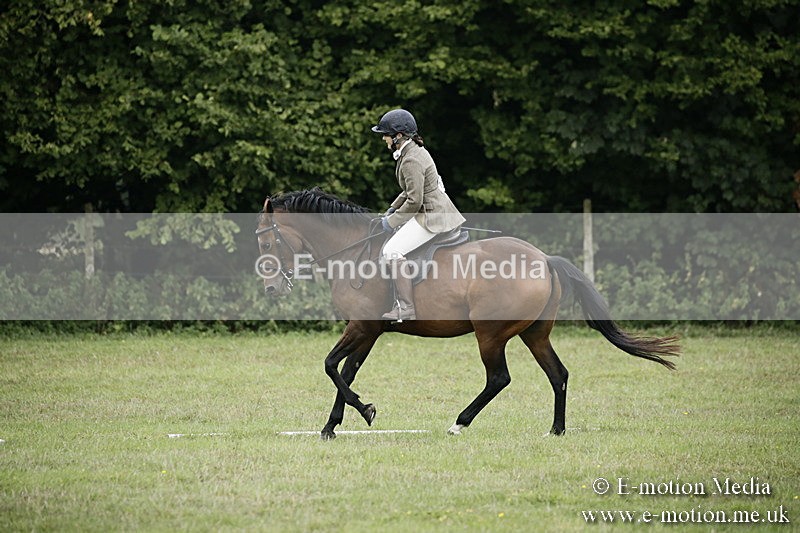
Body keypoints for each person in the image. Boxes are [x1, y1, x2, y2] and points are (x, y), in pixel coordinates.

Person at [372, 108, 466, 321]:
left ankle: (406, 307)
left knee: (392, 251)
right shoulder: (412, 152)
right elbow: (409, 192)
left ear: (398, 136)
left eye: (386, 134)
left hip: (432, 215)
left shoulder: (411, 160)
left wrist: (392, 221)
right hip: (433, 209)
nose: (384, 138)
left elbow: (415, 201)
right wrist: (392, 209)